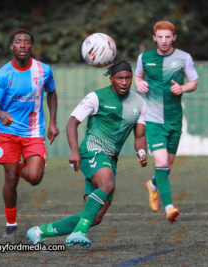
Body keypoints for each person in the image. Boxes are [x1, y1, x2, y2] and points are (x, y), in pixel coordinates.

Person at [27, 60, 147, 247]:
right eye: (120, 78)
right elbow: (72, 123)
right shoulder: (96, 97)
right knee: (107, 183)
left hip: (110, 159)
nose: (124, 82)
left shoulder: (139, 103)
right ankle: (80, 232)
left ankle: (39, 231)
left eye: (128, 78)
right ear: (112, 79)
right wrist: (74, 151)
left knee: (95, 216)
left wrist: (141, 151)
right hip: (91, 150)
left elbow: (139, 136)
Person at [0, 29, 59, 238]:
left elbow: (52, 92)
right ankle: (11, 224)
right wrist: (2, 114)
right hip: (8, 133)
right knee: (11, 179)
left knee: (35, 177)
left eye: (26, 42)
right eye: (18, 42)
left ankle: (18, 166)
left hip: (33, 132)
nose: (22, 45)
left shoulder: (43, 70)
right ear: (12, 46)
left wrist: (53, 122)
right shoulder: (2, 74)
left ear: (31, 46)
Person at [134, 21, 198, 223]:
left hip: (174, 119)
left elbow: (194, 82)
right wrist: (140, 83)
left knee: (167, 168)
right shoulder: (144, 58)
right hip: (152, 119)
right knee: (161, 162)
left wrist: (183, 88)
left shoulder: (183, 58)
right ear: (154, 38)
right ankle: (169, 207)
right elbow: (137, 77)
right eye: (159, 37)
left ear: (174, 38)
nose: (163, 41)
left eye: (167, 37)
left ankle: (153, 185)